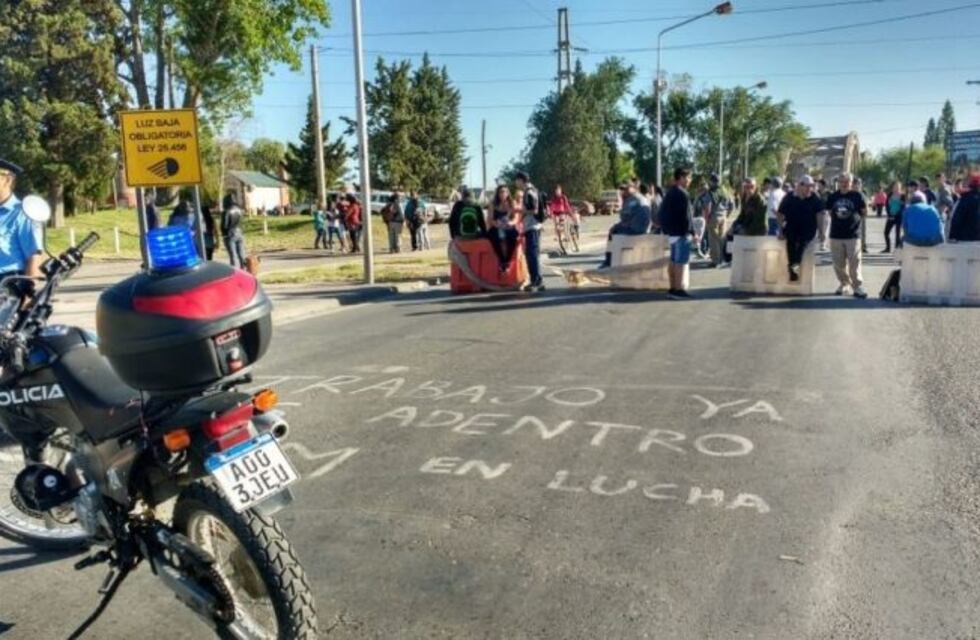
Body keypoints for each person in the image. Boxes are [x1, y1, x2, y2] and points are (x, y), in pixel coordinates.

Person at [826, 172, 868, 298]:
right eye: (842, 181)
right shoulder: (832, 196)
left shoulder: (858, 195)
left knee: (855, 262)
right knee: (838, 263)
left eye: (847, 182)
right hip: (836, 234)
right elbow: (829, 212)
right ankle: (844, 284)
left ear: (851, 183)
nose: (844, 184)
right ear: (838, 183)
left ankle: (857, 286)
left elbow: (864, 212)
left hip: (853, 234)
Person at [0, 159, 42, 277]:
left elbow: (34, 256)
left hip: (8, 286)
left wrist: (28, 293)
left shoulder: (23, 213)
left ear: (8, 180)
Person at [777, 175, 823, 282]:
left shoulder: (814, 198)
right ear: (800, 185)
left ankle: (794, 273)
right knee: (791, 254)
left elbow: (820, 215)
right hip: (791, 229)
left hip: (807, 231)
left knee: (799, 254)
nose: (809, 189)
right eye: (807, 186)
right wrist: (780, 231)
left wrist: (821, 232)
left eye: (811, 186)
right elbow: (780, 214)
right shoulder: (789, 197)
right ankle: (793, 271)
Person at [659, 167, 695, 300]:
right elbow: (687, 217)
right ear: (681, 178)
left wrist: (667, 229)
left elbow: (661, 214)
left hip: (672, 234)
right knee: (680, 262)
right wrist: (691, 232)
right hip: (681, 234)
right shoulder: (682, 193)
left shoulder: (670, 193)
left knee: (673, 261)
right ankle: (678, 290)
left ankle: (673, 287)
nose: (690, 180)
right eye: (688, 177)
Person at [598, 182, 650, 268]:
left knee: (613, 232)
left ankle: (609, 261)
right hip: (644, 228)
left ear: (633, 189)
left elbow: (625, 218)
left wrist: (615, 227)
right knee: (616, 229)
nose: (623, 191)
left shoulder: (633, 200)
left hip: (635, 230)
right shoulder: (641, 198)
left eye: (625, 189)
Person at [515, 171, 544, 292]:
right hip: (533, 226)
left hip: (532, 227)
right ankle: (538, 281)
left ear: (521, 180)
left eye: (516, 180)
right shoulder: (531, 190)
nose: (515, 182)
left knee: (532, 255)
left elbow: (534, 210)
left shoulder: (529, 191)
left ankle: (535, 281)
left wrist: (520, 210)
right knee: (533, 254)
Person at [698, 173, 733, 267]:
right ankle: (722, 259)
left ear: (712, 181)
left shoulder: (710, 192)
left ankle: (715, 261)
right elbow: (731, 205)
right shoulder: (725, 191)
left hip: (713, 217)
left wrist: (706, 218)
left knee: (713, 240)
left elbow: (707, 207)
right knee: (722, 239)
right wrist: (727, 215)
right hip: (724, 216)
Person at [487, 185, 518, 272]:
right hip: (496, 226)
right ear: (497, 193)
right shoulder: (493, 204)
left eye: (505, 191)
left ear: (508, 193)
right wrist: (497, 224)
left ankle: (507, 260)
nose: (503, 194)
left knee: (513, 236)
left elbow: (515, 218)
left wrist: (511, 223)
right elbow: (490, 219)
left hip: (508, 226)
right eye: (501, 192)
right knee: (493, 237)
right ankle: (502, 260)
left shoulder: (512, 203)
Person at [948, 173, 980, 242]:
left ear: (970, 185)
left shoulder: (965, 198)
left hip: (965, 238)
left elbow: (957, 218)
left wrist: (952, 236)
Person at [221, 192, 247, 269]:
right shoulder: (240, 210)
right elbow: (242, 221)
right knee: (241, 253)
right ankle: (244, 269)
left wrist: (223, 233)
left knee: (233, 255)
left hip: (230, 233)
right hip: (240, 232)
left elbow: (224, 225)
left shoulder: (226, 211)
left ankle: (235, 272)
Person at [883, 181, 905, 253]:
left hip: (899, 216)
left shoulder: (903, 196)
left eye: (898, 186)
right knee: (886, 233)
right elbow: (886, 205)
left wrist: (897, 214)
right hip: (891, 216)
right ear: (892, 187)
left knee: (897, 234)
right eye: (895, 186)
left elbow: (903, 207)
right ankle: (888, 248)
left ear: (900, 187)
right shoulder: (889, 195)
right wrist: (889, 214)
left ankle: (897, 250)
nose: (896, 188)